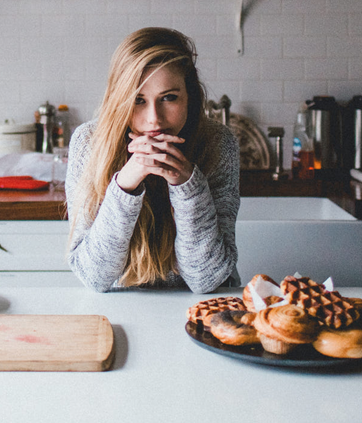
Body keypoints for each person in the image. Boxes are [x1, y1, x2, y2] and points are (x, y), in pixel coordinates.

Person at [66, 27, 240, 293]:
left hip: (199, 314)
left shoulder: (218, 144)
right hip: (120, 310)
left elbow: (207, 279)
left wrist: (187, 186)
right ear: (118, 100)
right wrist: (126, 183)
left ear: (190, 97)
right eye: (138, 100)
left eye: (169, 98)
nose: (154, 119)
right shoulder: (89, 143)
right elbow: (94, 275)